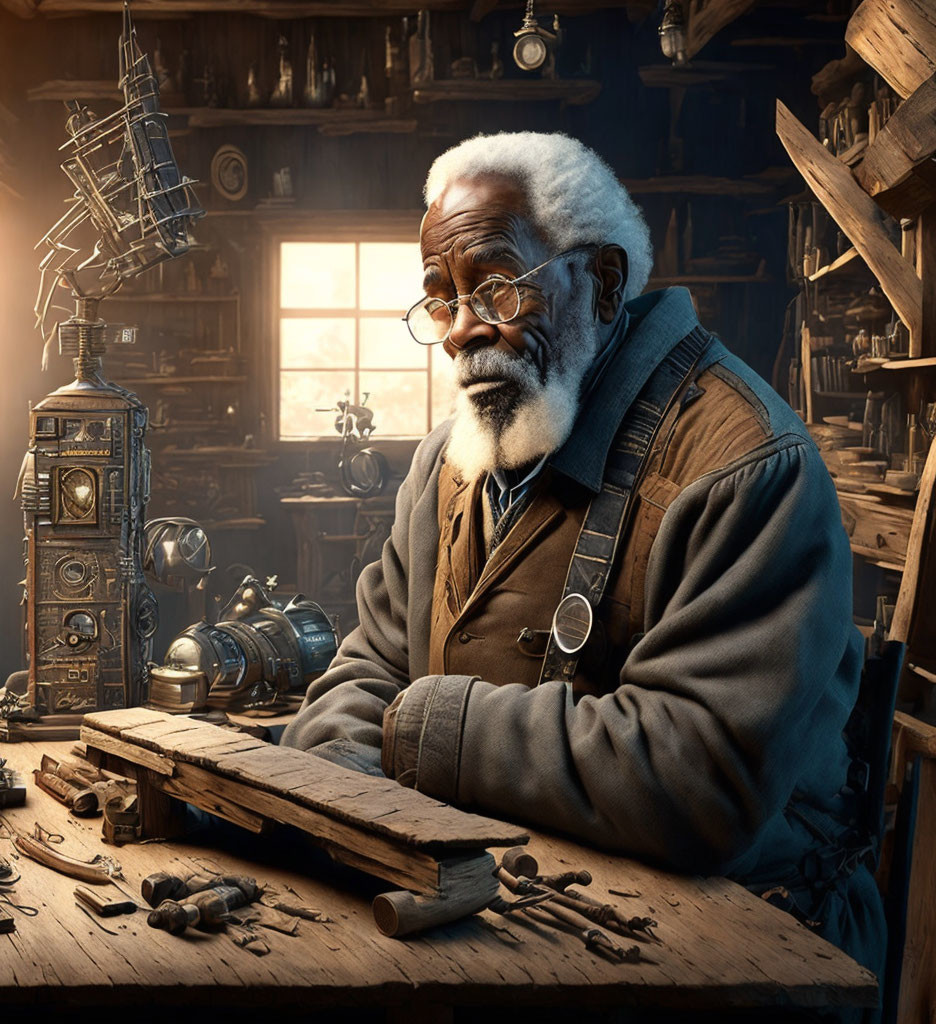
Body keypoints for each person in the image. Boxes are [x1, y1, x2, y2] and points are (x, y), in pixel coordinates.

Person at [280, 131, 884, 984]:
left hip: (743, 948)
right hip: (503, 918)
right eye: (441, 300)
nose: (461, 333)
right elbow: (367, 670)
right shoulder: (445, 466)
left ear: (601, 284)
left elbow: (699, 778)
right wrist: (346, 803)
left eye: (496, 288)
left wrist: (429, 728)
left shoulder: (746, 467)